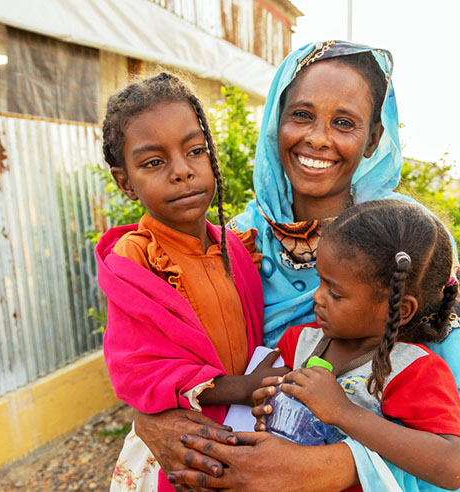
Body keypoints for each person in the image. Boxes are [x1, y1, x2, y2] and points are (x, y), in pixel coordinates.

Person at [134, 41, 460, 492]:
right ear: (277, 120)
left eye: (343, 122)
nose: (317, 137)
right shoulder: (235, 242)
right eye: (301, 115)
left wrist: (320, 466)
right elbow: (164, 356)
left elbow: (454, 422)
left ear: (374, 137)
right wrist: (152, 420)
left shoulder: (406, 243)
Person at [95, 72, 288, 492]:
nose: (182, 172)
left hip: (244, 427)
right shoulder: (137, 258)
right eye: (153, 162)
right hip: (181, 445)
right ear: (124, 181)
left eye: (195, 151)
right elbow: (137, 366)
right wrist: (244, 387)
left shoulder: (233, 248)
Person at [253, 199, 460, 491]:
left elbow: (450, 467)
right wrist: (268, 403)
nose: (317, 297)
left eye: (336, 293)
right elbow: (268, 396)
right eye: (320, 282)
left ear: (400, 309)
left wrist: (342, 411)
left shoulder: (414, 370)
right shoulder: (299, 341)